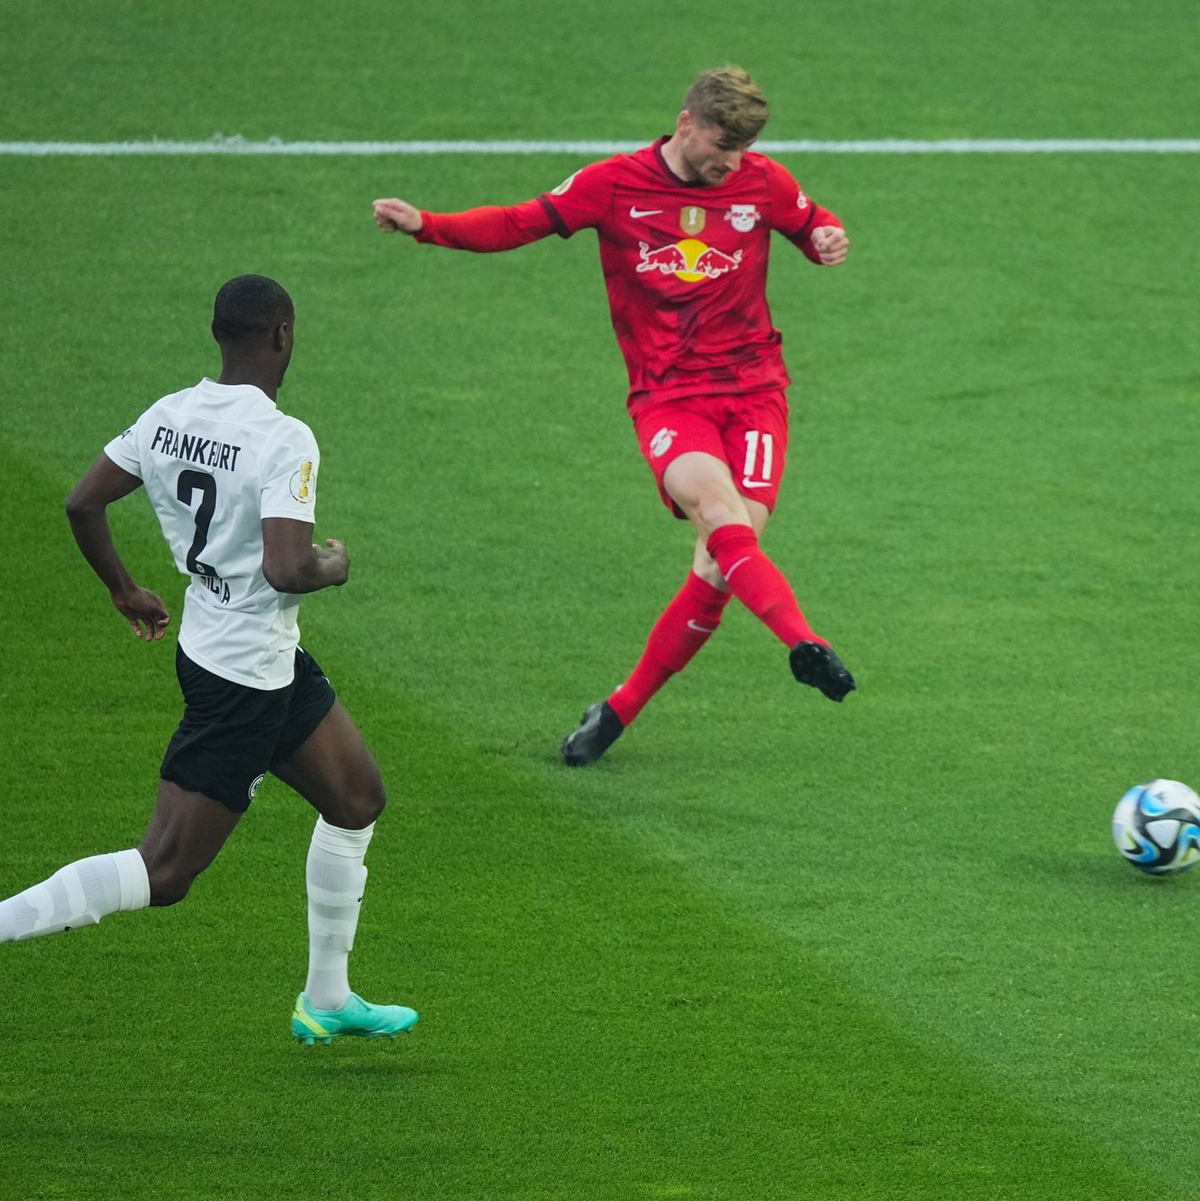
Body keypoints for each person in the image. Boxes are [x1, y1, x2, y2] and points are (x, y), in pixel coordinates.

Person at [373, 66, 856, 767]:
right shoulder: (615, 184)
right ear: (686, 123)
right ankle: (805, 641)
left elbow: (814, 226)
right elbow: (519, 222)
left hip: (756, 393)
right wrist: (429, 226)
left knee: (721, 566)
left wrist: (828, 239)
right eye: (722, 146)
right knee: (719, 516)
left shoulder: (762, 182)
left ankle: (619, 709)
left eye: (742, 150)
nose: (731, 163)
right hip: (670, 396)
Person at [0, 275, 417, 1045]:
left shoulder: (168, 416)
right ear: (282, 335)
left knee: (357, 798)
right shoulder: (283, 438)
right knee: (164, 871)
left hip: (243, 652)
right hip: (242, 683)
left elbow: (82, 502)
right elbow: (287, 567)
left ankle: (327, 997)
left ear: (219, 335)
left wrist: (124, 588)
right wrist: (335, 564)